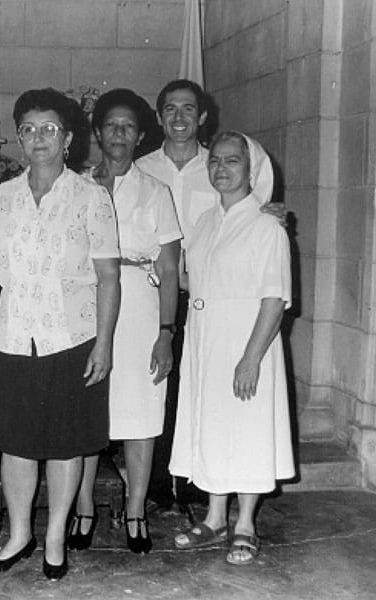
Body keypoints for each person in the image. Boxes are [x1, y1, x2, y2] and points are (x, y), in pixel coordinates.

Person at [0, 88, 121, 581]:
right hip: (15, 337)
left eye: (49, 129)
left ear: (69, 139)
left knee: (65, 444)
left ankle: (55, 535)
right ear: (19, 137)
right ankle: (20, 533)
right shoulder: (1, 199)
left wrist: (103, 342)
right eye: (29, 129)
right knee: (15, 443)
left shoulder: (90, 197)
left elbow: (108, 277)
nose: (39, 138)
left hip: (71, 338)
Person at [137, 79, 281, 512]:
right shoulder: (142, 168)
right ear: (159, 116)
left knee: (225, 401)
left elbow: (255, 236)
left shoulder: (223, 171)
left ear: (202, 116)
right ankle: (168, 485)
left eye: (188, 109)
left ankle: (215, 502)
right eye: (169, 109)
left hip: (228, 309)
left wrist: (268, 212)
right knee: (175, 394)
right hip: (167, 293)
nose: (179, 117)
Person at [169, 131, 294, 566]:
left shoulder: (266, 226)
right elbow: (191, 278)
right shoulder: (205, 222)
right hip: (205, 341)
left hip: (247, 342)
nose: (222, 168)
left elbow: (275, 299)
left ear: (252, 169)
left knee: (246, 428)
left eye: (233, 161)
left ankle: (245, 524)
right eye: (216, 160)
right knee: (211, 424)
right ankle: (215, 515)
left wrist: (251, 357)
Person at [71, 89, 181, 554]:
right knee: (84, 417)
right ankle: (82, 507)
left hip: (139, 308)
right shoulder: (74, 185)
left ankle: (136, 510)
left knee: (139, 414)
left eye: (128, 126)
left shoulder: (156, 191)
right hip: (83, 305)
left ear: (139, 136)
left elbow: (171, 267)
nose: (119, 133)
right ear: (97, 134)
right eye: (110, 125)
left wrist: (165, 333)